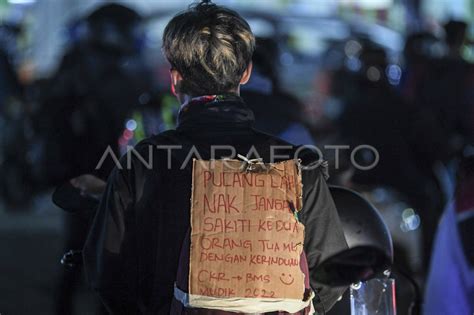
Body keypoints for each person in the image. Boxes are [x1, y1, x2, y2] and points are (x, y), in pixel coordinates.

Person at [83, 1, 348, 314]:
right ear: (246, 72)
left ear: (175, 79)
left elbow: (108, 272)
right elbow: (332, 274)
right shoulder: (297, 165)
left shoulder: (143, 162)